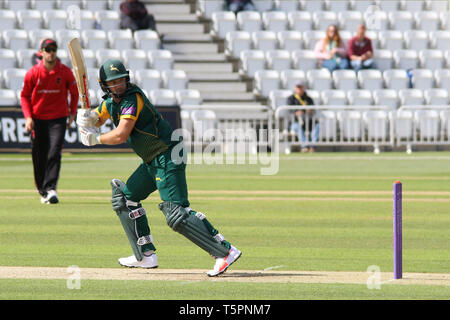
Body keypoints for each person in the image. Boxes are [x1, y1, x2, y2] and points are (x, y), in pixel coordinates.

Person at [76, 59, 242, 276]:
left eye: (121, 81)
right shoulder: (111, 102)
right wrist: (88, 118)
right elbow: (99, 117)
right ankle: (145, 255)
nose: (118, 86)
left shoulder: (132, 99)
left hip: (168, 155)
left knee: (176, 213)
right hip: (152, 161)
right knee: (125, 199)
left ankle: (225, 251)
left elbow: (121, 134)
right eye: (113, 83)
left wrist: (95, 139)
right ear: (104, 85)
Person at [20, 39, 78, 204]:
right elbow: (24, 96)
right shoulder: (33, 73)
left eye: (53, 49)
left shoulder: (65, 72)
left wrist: (72, 113)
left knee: (54, 151)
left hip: (58, 119)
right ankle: (42, 190)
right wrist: (28, 117)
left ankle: (51, 188)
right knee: (39, 155)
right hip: (38, 119)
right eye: (48, 49)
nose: (51, 52)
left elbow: (74, 93)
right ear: (42, 52)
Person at [287, 82, 319, 153]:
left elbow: (313, 110)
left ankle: (312, 147)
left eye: (301, 87)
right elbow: (290, 111)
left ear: (304, 88)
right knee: (297, 126)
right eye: (298, 88)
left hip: (308, 121)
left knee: (317, 125)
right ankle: (304, 146)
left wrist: (310, 111)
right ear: (295, 88)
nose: (299, 90)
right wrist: (297, 113)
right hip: (296, 122)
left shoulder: (308, 99)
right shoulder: (291, 99)